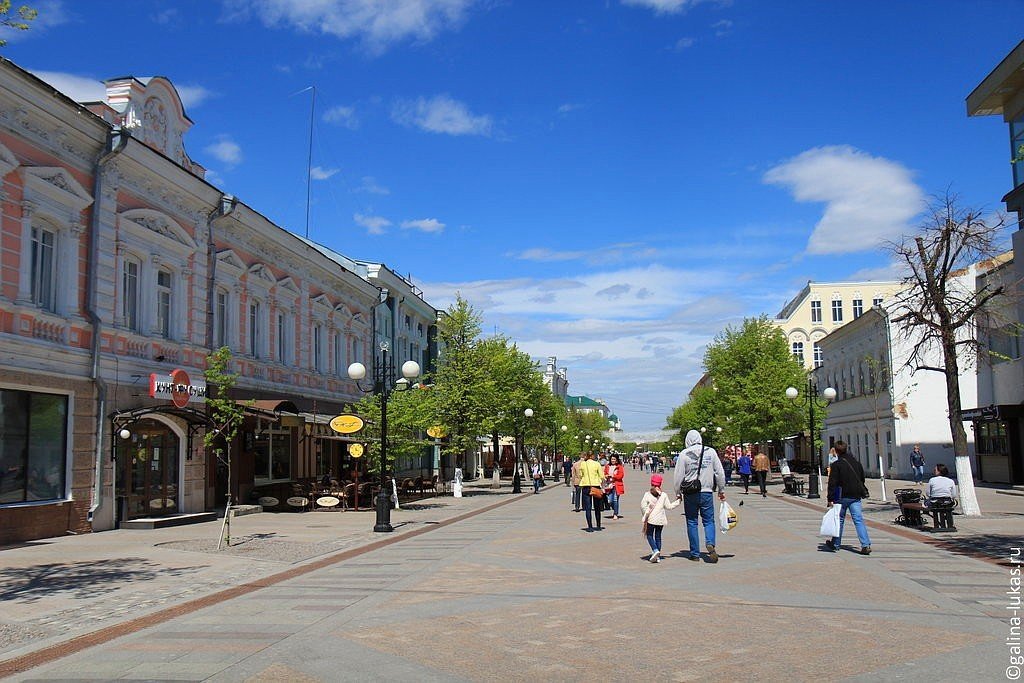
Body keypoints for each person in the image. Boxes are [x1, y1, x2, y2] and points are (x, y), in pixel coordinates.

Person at [673, 429, 727, 562]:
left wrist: (677, 492)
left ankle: (695, 554)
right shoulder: (711, 452)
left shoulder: (684, 454)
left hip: (690, 493)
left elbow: (678, 475)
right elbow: (719, 472)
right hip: (707, 492)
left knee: (692, 522)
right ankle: (710, 543)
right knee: (708, 520)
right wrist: (721, 489)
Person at [825, 440, 872, 555]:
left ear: (836, 451)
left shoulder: (836, 465)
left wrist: (830, 498)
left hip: (841, 496)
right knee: (858, 520)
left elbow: (832, 483)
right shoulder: (856, 463)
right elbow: (862, 479)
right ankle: (865, 544)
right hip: (855, 496)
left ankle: (835, 544)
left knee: (839, 520)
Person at [640, 474, 681, 563]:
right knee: (658, 536)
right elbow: (669, 507)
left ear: (651, 483)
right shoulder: (664, 495)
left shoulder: (647, 494)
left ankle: (655, 550)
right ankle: (657, 556)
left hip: (651, 519)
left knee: (649, 535)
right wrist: (678, 501)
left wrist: (645, 514)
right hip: (661, 520)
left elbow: (642, 506)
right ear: (660, 484)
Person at [578, 452, 605, 532]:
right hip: (595, 486)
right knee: (597, 507)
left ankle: (590, 527)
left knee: (588, 508)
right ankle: (598, 525)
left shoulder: (583, 464)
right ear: (593, 456)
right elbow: (601, 475)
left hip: (586, 486)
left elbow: (581, 474)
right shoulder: (597, 464)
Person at [604, 454, 626, 520]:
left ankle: (615, 514)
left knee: (615, 499)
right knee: (610, 500)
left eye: (614, 459)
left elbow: (621, 476)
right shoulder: (607, 466)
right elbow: (604, 473)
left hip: (617, 485)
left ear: (616, 460)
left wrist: (613, 476)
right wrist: (606, 476)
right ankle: (614, 508)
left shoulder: (619, 467)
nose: (613, 460)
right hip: (609, 485)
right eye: (612, 459)